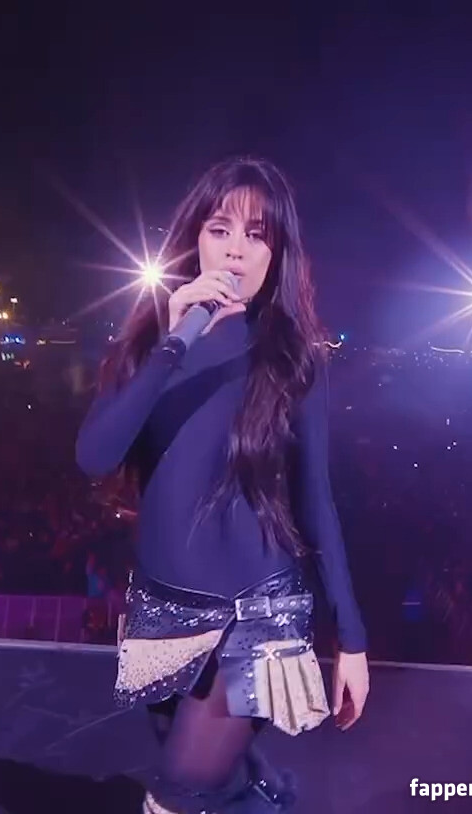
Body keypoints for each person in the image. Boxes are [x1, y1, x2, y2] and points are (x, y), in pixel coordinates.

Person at [76, 156, 369, 812]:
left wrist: (351, 638)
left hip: (256, 615)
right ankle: (262, 793)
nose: (236, 249)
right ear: (196, 240)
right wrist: (174, 341)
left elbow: (316, 501)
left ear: (277, 253)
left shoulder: (293, 356)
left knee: (178, 791)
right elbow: (95, 457)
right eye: (220, 229)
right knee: (211, 782)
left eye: (256, 235)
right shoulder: (154, 342)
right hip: (161, 611)